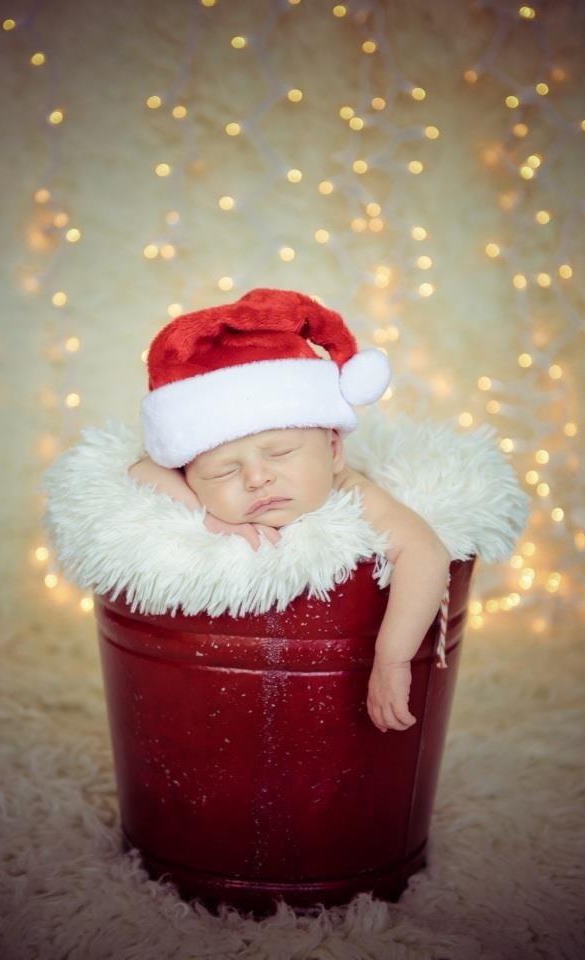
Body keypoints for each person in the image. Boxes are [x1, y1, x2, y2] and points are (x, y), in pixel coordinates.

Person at [129, 287, 451, 735]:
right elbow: (141, 470)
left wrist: (392, 659)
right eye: (224, 471)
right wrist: (208, 518)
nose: (256, 478)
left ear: (333, 451)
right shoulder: (197, 489)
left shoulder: (348, 490)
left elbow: (425, 552)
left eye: (279, 452)